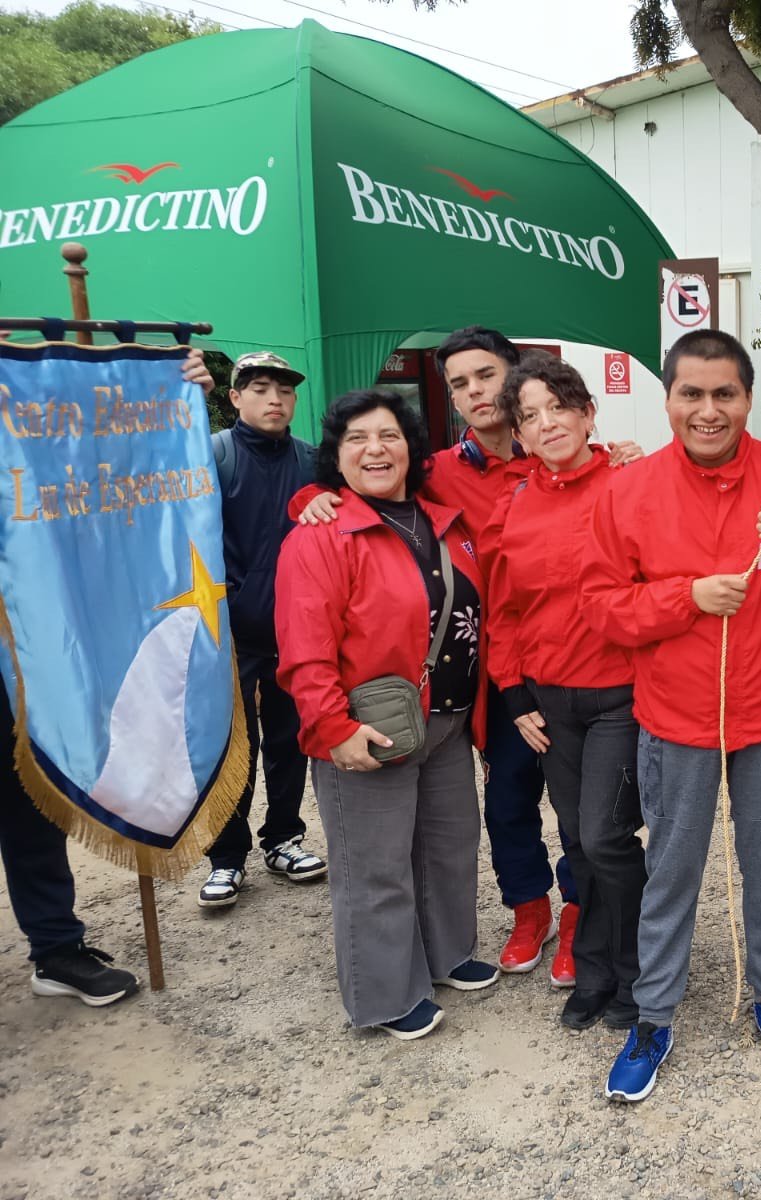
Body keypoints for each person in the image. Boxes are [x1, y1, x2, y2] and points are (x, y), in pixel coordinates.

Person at [296, 330, 643, 983]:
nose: (475, 391)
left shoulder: (573, 456)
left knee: (583, 808)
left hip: (578, 666)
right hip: (487, 672)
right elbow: (365, 490)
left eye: (486, 375)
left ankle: (582, 914)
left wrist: (628, 457)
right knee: (507, 798)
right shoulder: (435, 472)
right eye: (459, 384)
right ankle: (529, 908)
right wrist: (309, 498)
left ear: (516, 377)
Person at [582, 330, 761, 1103]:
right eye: (691, 393)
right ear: (669, 400)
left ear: (750, 399)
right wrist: (684, 597)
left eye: (725, 394)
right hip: (676, 715)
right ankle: (654, 1015)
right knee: (672, 869)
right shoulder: (628, 491)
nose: (708, 410)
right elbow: (603, 609)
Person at [275, 389, 498, 1039]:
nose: (375, 450)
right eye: (357, 439)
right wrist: (332, 729)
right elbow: (304, 645)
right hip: (369, 729)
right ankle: (384, 995)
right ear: (336, 456)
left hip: (446, 720)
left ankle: (446, 954)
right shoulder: (321, 535)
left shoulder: (443, 522)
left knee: (449, 847)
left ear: (411, 448)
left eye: (389, 436)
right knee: (375, 868)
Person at [1, 346, 212, 1006]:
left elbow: (97, 458)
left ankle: (56, 949)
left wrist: (176, 400)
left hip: (20, 657)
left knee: (28, 806)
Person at [481, 353, 647, 1034]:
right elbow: (504, 611)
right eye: (530, 416)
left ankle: (638, 972)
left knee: (607, 836)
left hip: (622, 695)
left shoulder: (631, 481)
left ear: (587, 413)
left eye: (558, 407)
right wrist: (515, 697)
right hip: (550, 700)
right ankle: (597, 970)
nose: (547, 423)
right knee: (577, 839)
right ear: (519, 435)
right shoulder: (514, 504)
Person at [199, 352, 327, 909]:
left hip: (297, 632)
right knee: (232, 745)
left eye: (284, 389)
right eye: (259, 388)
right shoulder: (211, 455)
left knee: (289, 740)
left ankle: (283, 838)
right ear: (235, 398)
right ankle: (226, 857)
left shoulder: (312, 460)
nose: (275, 399)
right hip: (227, 634)